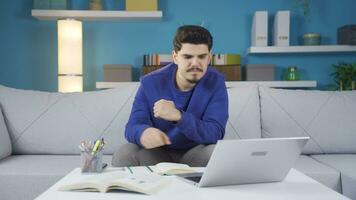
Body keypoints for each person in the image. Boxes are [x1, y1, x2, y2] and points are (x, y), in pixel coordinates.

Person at [112, 25, 228, 167]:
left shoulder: (216, 82)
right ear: (175, 57)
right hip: (157, 155)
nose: (195, 63)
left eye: (202, 57)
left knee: (216, 152)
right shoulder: (150, 82)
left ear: (209, 57)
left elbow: (215, 133)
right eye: (188, 57)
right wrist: (143, 133)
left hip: (196, 154)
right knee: (125, 153)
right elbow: (133, 126)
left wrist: (179, 116)